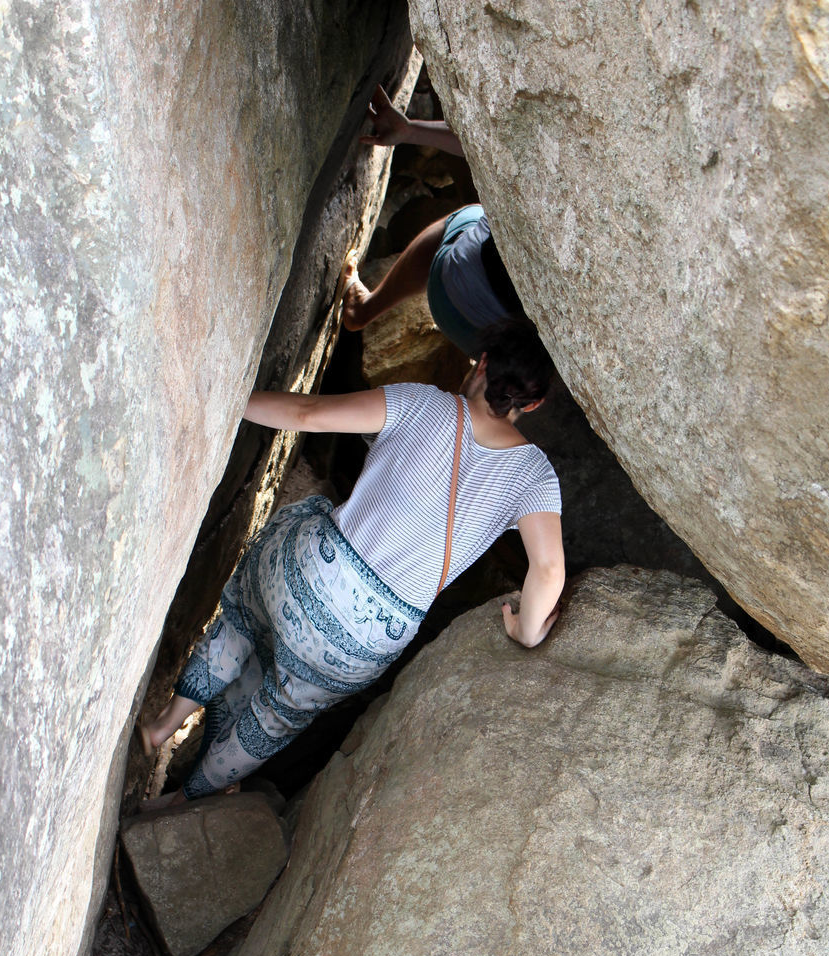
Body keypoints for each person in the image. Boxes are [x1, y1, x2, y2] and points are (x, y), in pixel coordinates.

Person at [139, 319, 565, 803]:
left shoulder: (420, 402)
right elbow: (548, 570)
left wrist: (225, 397)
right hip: (365, 640)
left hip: (308, 570)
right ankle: (181, 802)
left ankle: (165, 724)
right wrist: (525, 632)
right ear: (533, 403)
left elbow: (307, 414)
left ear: (482, 362)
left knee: (243, 610)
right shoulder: (535, 476)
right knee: (279, 714)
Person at [343, 86, 523, 356]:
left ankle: (364, 309)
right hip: (493, 353)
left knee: (475, 216)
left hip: (448, 286)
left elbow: (488, 146)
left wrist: (411, 131)